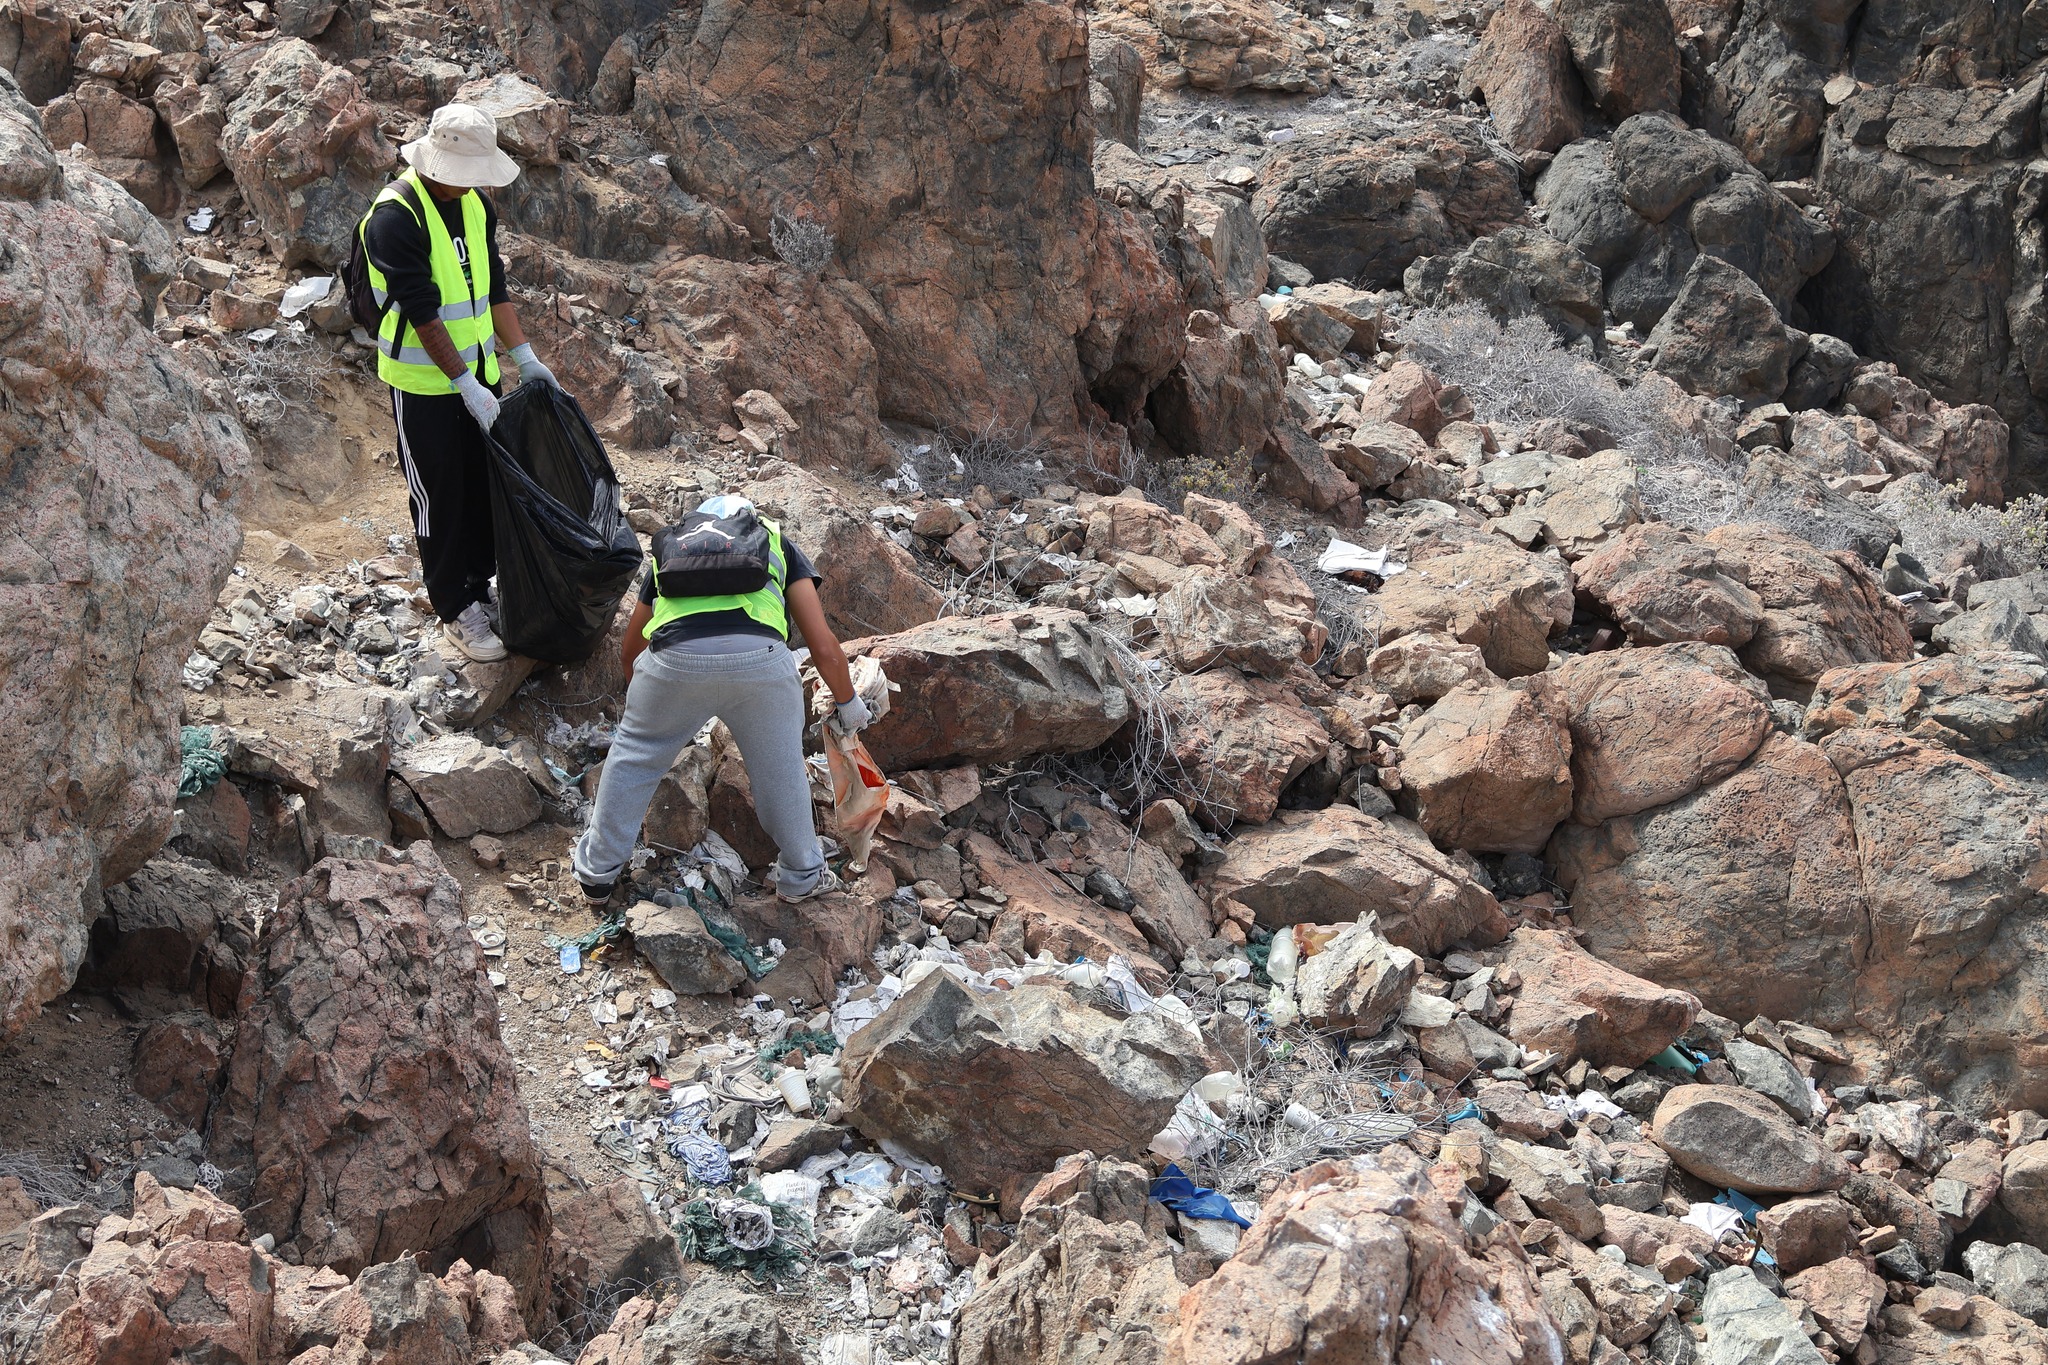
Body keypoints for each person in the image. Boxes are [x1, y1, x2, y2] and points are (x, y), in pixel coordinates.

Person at [573, 496, 874, 906]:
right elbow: (822, 645)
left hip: (672, 661)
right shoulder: (775, 542)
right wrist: (848, 702)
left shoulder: (673, 548)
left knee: (633, 759)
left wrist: (649, 713)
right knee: (780, 769)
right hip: (761, 663)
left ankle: (597, 874)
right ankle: (802, 874)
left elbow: (631, 650)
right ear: (748, 521)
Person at [357, 102, 559, 664]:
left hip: (481, 377)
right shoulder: (395, 218)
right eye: (464, 173)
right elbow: (423, 313)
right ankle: (454, 607)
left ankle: (478, 584)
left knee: (481, 488)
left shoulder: (475, 205)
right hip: (424, 387)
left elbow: (492, 287)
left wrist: (523, 356)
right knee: (438, 497)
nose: (471, 183)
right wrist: (463, 384)